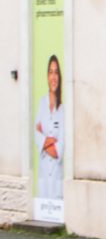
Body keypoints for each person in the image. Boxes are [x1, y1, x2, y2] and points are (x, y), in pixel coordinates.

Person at [34, 55, 64, 205]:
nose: (53, 77)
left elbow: (59, 150)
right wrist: (50, 140)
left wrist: (43, 141)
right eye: (51, 72)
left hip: (57, 178)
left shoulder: (63, 109)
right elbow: (35, 135)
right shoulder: (41, 104)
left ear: (60, 77)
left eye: (56, 72)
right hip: (43, 178)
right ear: (47, 76)